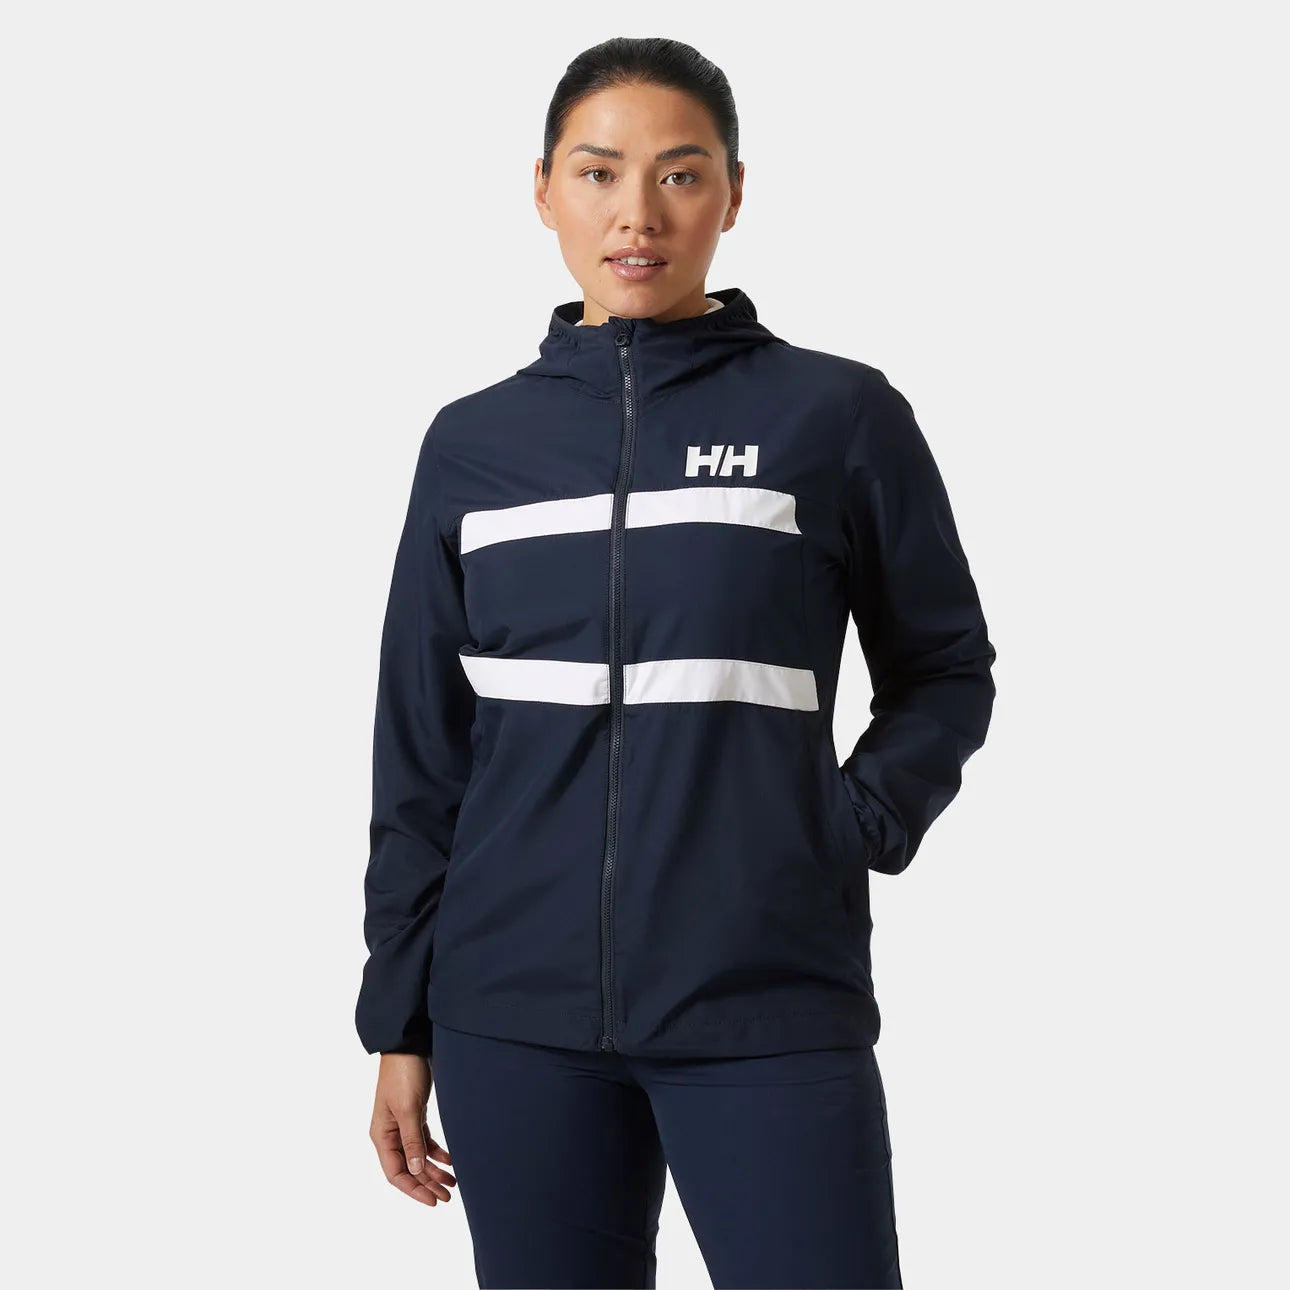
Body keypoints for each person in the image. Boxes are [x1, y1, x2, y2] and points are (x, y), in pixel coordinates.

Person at [355, 34, 995, 1290]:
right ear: (543, 190)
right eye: (599, 173)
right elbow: (421, 752)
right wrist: (401, 1017)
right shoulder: (472, 445)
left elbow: (945, 664)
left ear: (734, 194)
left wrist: (846, 823)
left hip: (766, 1001)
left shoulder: (834, 416)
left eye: (680, 174)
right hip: (510, 1016)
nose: (637, 215)